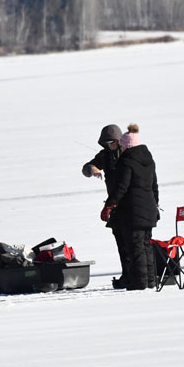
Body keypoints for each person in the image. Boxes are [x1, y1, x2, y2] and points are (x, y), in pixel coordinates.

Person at [100, 123, 159, 291]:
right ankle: (150, 281)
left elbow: (121, 187)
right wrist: (155, 204)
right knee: (146, 246)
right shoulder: (148, 159)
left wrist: (109, 205)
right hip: (149, 211)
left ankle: (139, 284)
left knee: (136, 248)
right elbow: (155, 186)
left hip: (133, 212)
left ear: (126, 145)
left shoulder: (127, 161)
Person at [82, 124, 132, 289]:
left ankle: (136, 275)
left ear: (118, 140)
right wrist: (92, 169)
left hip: (132, 204)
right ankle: (126, 275)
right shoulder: (104, 156)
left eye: (112, 141)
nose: (109, 145)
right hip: (114, 206)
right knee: (121, 243)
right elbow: (85, 168)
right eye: (106, 142)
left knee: (133, 243)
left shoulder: (129, 153)